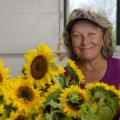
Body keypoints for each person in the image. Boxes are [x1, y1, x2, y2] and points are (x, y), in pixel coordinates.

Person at [63, 8, 120, 120]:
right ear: (70, 42)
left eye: (92, 34)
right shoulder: (61, 77)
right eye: (77, 36)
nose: (85, 42)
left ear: (103, 39)